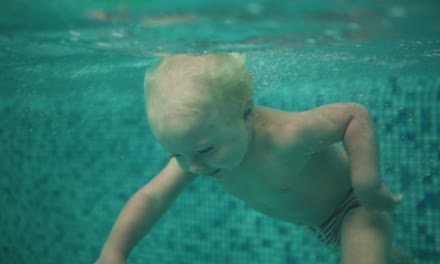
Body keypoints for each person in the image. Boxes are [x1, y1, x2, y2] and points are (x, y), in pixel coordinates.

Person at [96, 53, 405, 264]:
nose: (193, 167)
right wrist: (114, 251)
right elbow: (151, 197)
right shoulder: (200, 155)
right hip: (315, 221)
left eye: (205, 149)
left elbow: (354, 116)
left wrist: (367, 183)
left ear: (246, 114)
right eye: (176, 154)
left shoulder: (287, 136)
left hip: (355, 208)